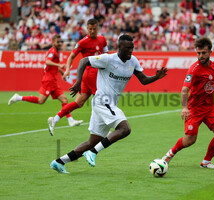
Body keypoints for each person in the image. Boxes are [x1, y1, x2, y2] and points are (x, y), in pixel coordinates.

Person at [50, 34, 168, 173]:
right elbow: (84, 61)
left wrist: (156, 77)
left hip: (109, 104)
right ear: (120, 47)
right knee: (125, 129)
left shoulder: (133, 61)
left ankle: (59, 162)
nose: (131, 51)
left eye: (132, 48)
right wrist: (78, 82)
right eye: (128, 48)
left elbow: (143, 80)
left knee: (92, 142)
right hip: (102, 101)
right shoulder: (108, 59)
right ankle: (93, 153)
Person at [162, 37, 214, 169]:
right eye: (198, 53)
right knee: (190, 140)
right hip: (194, 109)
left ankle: (206, 162)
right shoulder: (194, 69)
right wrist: (184, 108)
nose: (200, 56)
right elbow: (184, 90)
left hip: (210, 107)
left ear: (210, 52)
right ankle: (169, 154)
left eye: (203, 53)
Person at [48, 19, 109, 136]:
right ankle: (103, 128)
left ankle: (55, 119)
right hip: (91, 74)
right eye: (90, 29)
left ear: (97, 28)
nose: (92, 31)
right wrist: (67, 70)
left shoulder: (102, 39)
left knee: (79, 102)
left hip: (95, 74)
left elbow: (107, 55)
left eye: (94, 29)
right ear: (87, 28)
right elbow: (71, 56)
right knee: (102, 99)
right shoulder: (82, 42)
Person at [8, 35, 81, 129]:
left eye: (60, 42)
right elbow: (47, 62)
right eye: (57, 42)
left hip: (53, 81)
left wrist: (61, 72)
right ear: (53, 42)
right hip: (49, 81)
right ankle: (18, 98)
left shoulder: (55, 52)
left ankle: (70, 121)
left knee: (64, 99)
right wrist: (59, 65)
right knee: (41, 100)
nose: (59, 43)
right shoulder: (52, 51)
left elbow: (52, 65)